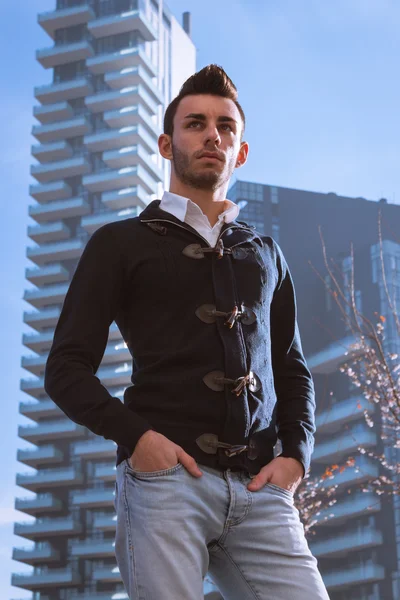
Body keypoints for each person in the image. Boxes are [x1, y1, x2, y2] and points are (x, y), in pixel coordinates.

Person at [44, 64, 330, 599]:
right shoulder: (119, 243)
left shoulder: (266, 254)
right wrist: (138, 440)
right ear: (166, 143)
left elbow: (291, 367)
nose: (211, 135)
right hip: (164, 482)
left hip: (262, 487)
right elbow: (64, 369)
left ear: (240, 152)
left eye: (225, 127)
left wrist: (297, 455)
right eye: (195, 123)